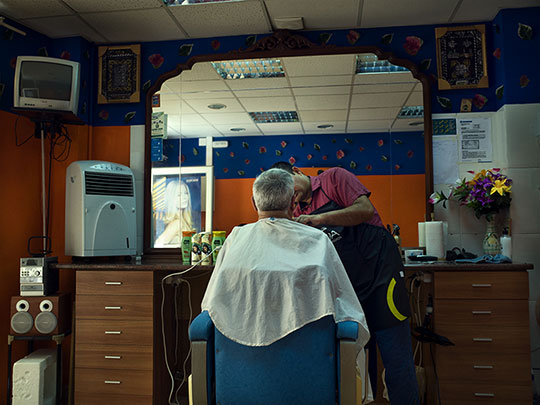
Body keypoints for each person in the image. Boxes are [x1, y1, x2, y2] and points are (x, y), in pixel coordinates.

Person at [201, 168, 371, 395]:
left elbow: (212, 304)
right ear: (293, 203)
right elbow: (348, 310)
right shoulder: (318, 240)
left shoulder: (235, 239)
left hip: (239, 380)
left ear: (254, 203)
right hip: (310, 379)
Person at [271, 162, 419, 405]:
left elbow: (365, 210)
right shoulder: (298, 213)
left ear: (296, 172)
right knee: (359, 356)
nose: (291, 196)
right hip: (350, 285)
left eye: (290, 186)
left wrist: (319, 219)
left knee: (395, 354)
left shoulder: (334, 179)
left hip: (382, 274)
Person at [155, 179, 193, 247]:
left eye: (186, 193)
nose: (184, 198)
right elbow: (158, 244)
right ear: (172, 198)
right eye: (179, 195)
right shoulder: (177, 223)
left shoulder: (183, 221)